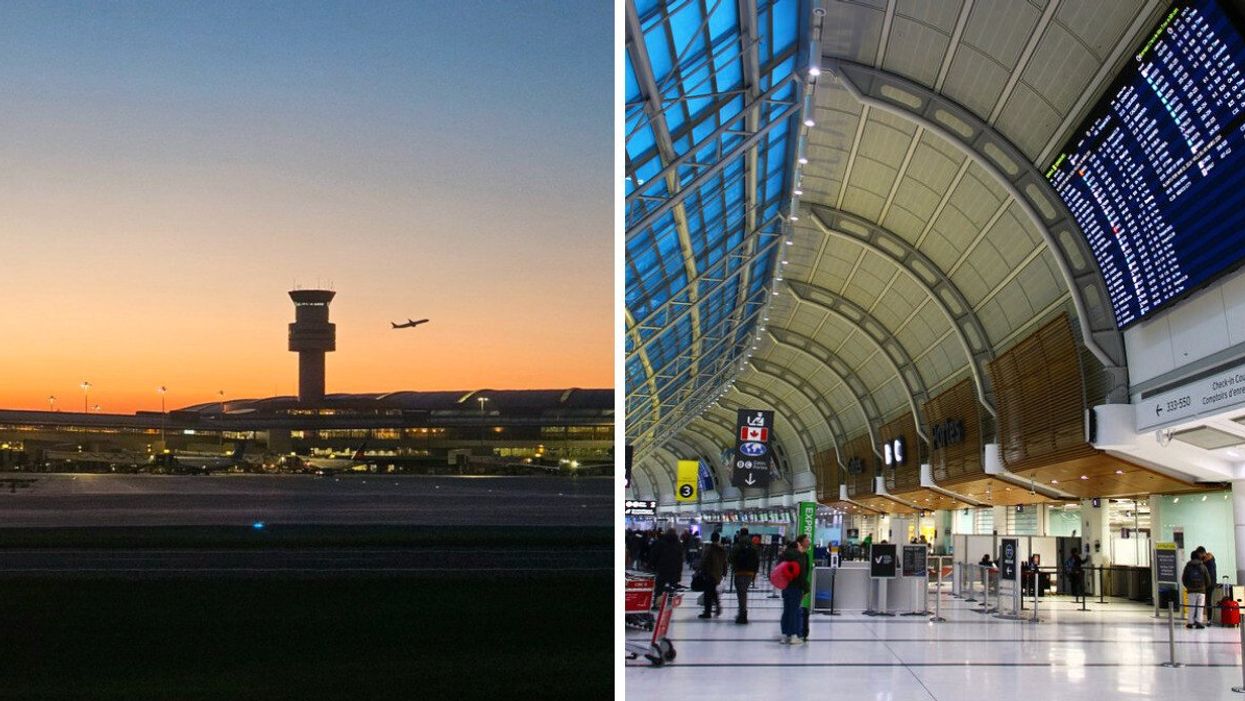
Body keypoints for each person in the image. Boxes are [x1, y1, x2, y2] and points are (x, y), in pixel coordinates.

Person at [777, 535, 810, 645]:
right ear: (798, 545)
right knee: (795, 611)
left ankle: (785, 635)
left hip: (786, 586)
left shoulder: (783, 556)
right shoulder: (800, 556)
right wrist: (806, 589)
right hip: (796, 587)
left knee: (787, 610)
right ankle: (794, 635)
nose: (808, 542)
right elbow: (802, 574)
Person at [730, 528, 760, 625]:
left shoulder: (737, 545)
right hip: (750, 573)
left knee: (741, 594)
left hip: (739, 572)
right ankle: (742, 613)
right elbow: (757, 560)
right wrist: (755, 573)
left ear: (740, 534)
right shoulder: (753, 546)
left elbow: (730, 558)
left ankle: (743, 615)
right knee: (743, 592)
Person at [648, 528, 683, 609]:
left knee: (659, 588)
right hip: (674, 570)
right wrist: (679, 572)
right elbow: (680, 559)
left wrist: (650, 565)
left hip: (662, 569)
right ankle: (670, 604)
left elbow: (654, 555)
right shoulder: (678, 544)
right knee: (672, 588)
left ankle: (657, 604)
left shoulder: (661, 543)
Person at [698, 532, 727, 619]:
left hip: (709, 573)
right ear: (718, 539)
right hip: (717, 573)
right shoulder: (722, 549)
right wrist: (724, 573)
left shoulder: (709, 549)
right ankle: (718, 607)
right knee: (712, 591)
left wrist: (699, 570)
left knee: (708, 593)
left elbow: (704, 560)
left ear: (711, 539)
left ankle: (707, 612)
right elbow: (725, 562)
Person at [1183, 547, 1211, 629]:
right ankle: (1199, 622)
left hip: (1191, 590)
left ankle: (1190, 622)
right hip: (1201, 590)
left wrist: (1188, 586)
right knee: (1200, 607)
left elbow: (1184, 578)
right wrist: (1204, 587)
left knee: (1191, 607)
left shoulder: (1188, 566)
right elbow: (1208, 579)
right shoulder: (1203, 566)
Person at [1203, 550, 1219, 624]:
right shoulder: (1212, 562)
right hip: (1212, 584)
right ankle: (1209, 619)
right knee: (1208, 601)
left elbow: (1206, 575)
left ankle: (1209, 619)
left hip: (1208, 584)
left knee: (1207, 601)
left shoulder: (1206, 563)